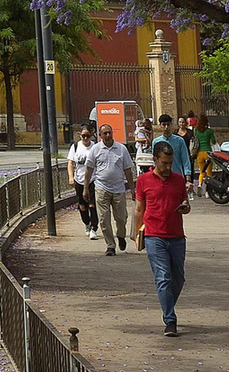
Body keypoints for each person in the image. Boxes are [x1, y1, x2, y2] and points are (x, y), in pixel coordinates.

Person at [134, 136, 191, 335]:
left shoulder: (178, 180)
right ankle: (170, 319)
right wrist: (136, 233)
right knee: (164, 278)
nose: (168, 167)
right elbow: (139, 209)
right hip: (154, 236)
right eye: (164, 163)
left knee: (178, 279)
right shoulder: (143, 181)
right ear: (155, 160)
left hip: (176, 236)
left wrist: (185, 208)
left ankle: (167, 304)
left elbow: (186, 203)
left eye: (170, 163)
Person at [88, 120, 137, 254]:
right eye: (105, 133)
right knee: (104, 219)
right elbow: (89, 169)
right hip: (101, 188)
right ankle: (110, 245)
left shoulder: (121, 149)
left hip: (118, 189)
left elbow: (128, 170)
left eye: (109, 133)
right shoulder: (95, 149)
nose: (108, 135)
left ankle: (121, 236)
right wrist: (86, 187)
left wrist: (132, 189)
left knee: (121, 218)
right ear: (100, 135)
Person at [67, 123, 99, 237]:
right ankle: (87, 223)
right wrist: (71, 177)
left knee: (92, 204)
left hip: (92, 179)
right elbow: (70, 163)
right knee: (82, 205)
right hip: (79, 179)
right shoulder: (75, 147)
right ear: (79, 135)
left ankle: (94, 228)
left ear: (91, 136)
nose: (85, 138)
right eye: (83, 136)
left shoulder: (95, 147)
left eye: (88, 136)